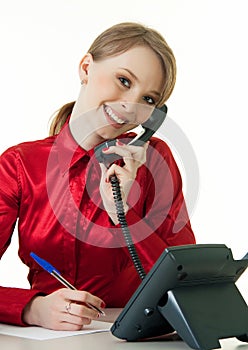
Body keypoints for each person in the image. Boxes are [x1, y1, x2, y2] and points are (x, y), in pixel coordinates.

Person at [0, 22, 195, 330]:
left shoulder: (155, 161)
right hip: (45, 341)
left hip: (131, 337)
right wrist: (32, 309)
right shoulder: (20, 164)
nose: (131, 106)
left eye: (148, 100)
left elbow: (187, 284)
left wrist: (124, 214)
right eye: (124, 80)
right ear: (86, 67)